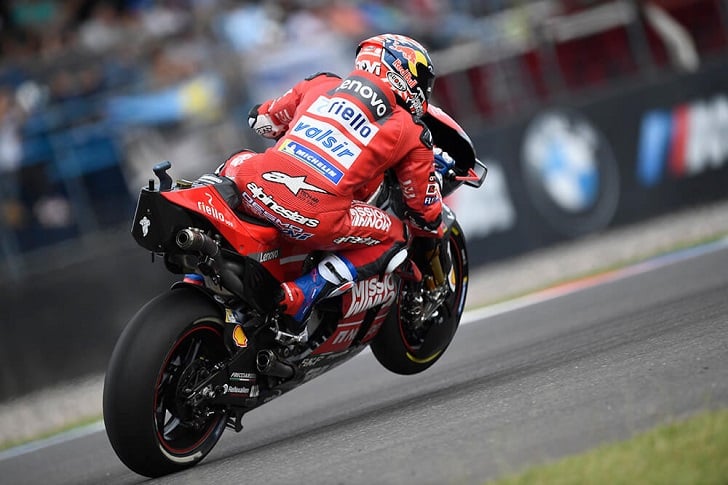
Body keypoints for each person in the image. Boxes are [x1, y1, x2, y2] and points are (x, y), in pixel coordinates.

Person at [218, 33, 446, 334]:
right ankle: (303, 294)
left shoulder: (321, 83)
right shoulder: (412, 130)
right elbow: (423, 213)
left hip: (254, 184)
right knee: (396, 236)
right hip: (314, 215)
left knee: (239, 159)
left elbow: (262, 121)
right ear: (403, 72)